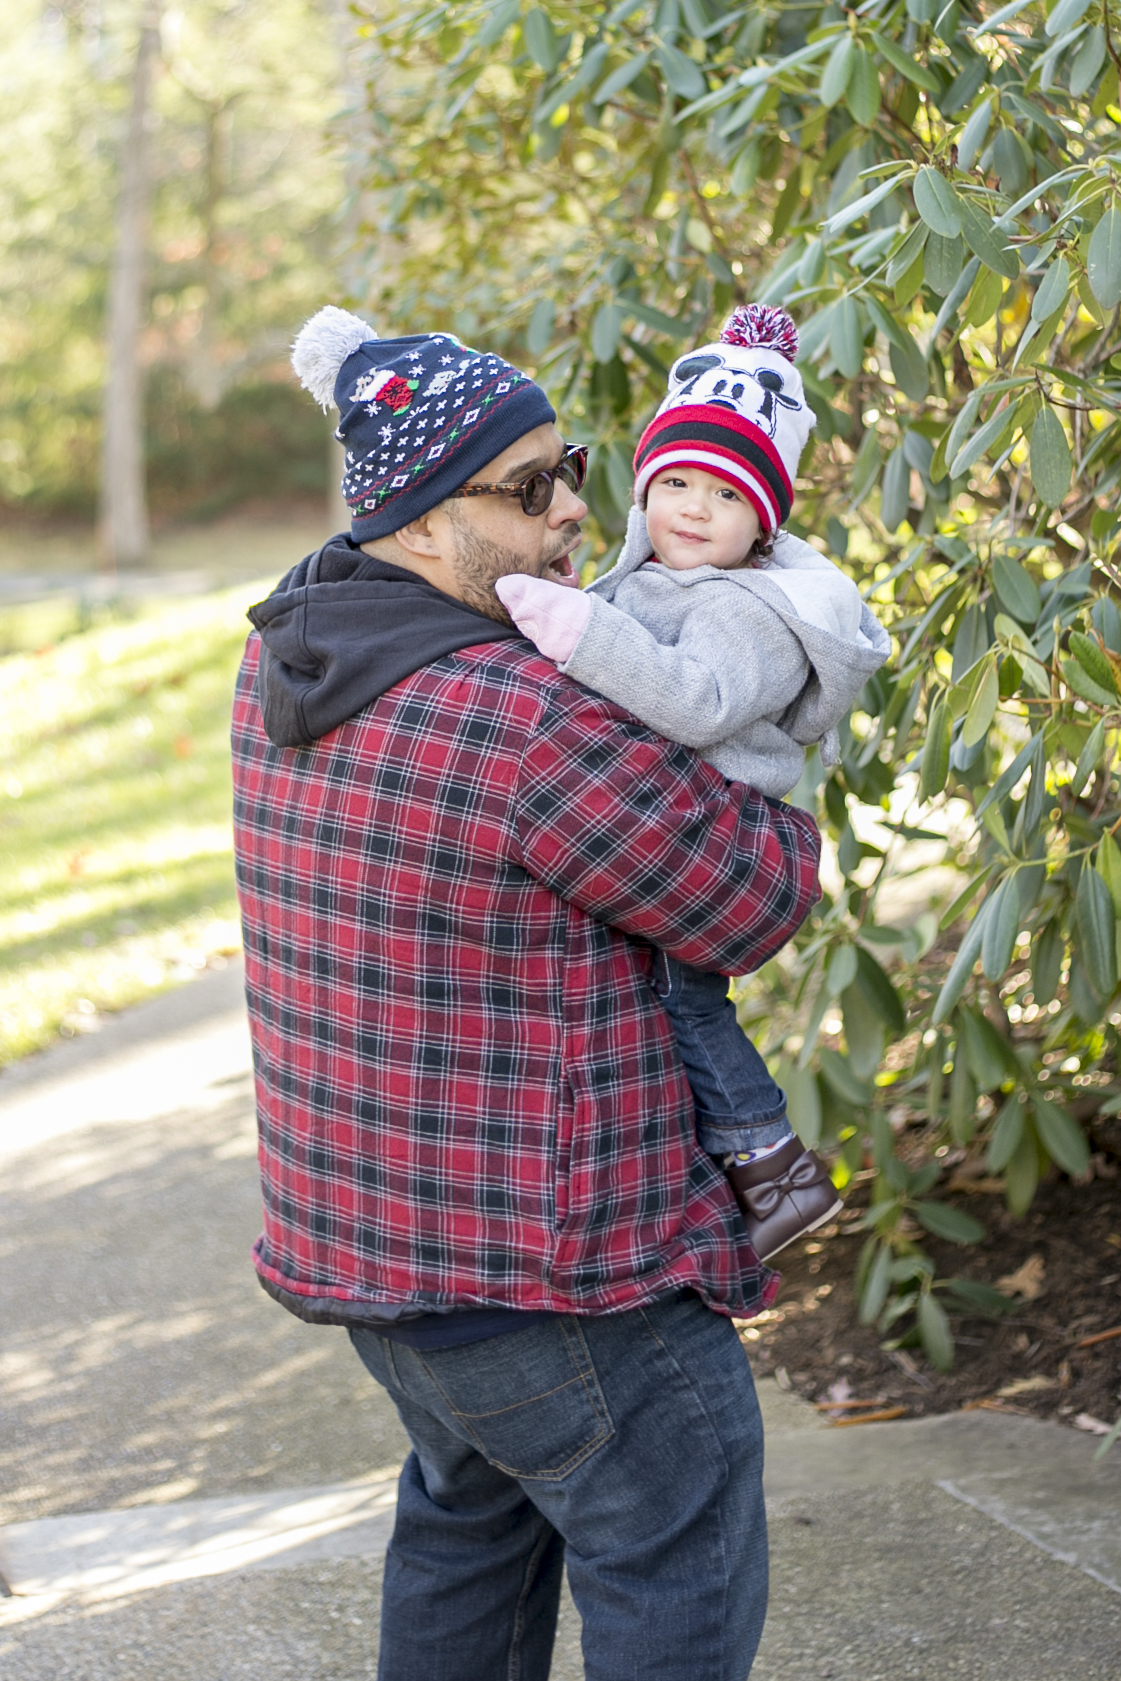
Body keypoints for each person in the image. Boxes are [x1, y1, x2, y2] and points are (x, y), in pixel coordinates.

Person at [231, 305, 821, 1681]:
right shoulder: (520, 715)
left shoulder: (288, 655)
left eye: (575, 467)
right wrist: (773, 782)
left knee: (469, 1528)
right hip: (552, 1275)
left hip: (378, 1258)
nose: (576, 511)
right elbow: (752, 894)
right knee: (674, 1527)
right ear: (427, 522)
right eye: (530, 485)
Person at [497, 304, 890, 1260]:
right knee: (652, 1003)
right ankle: (725, 1163)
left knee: (686, 1003)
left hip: (708, 830)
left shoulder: (748, 607)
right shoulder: (649, 578)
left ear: (761, 519)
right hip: (653, 817)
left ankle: (773, 1166)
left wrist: (575, 627)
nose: (691, 509)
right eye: (672, 481)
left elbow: (697, 700)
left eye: (721, 495)